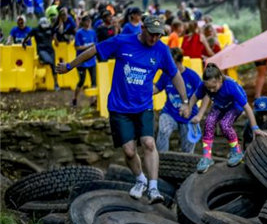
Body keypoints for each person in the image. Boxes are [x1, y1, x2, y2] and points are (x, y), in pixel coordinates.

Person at [56, 16, 191, 203]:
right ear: (142, 28)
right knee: (128, 151)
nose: (154, 39)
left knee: (149, 143)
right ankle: (140, 180)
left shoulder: (161, 49)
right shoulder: (122, 41)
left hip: (144, 105)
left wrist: (185, 101)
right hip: (119, 107)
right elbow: (94, 50)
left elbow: (175, 75)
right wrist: (70, 66)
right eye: (152, 34)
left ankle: (153, 188)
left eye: (158, 35)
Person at [189, 64, 267, 171]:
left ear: (220, 79)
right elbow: (195, 96)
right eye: (209, 88)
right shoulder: (204, 86)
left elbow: (247, 107)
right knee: (208, 122)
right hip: (220, 104)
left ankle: (236, 151)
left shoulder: (230, 86)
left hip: (235, 106)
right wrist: (189, 108)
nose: (211, 91)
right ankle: (207, 157)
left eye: (214, 87)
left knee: (224, 124)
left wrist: (255, 128)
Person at [154, 47, 202, 153]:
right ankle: (161, 160)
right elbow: (157, 88)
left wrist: (199, 115)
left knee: (188, 148)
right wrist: (141, 88)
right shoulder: (166, 74)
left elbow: (206, 94)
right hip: (169, 112)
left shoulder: (192, 76)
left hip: (188, 115)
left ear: (179, 62)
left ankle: (187, 166)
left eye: (171, 63)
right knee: (163, 130)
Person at [23, 17, 59, 90]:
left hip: (50, 50)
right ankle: (42, 60)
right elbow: (28, 36)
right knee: (48, 60)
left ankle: (56, 83)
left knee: (53, 66)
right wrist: (24, 42)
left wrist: (56, 40)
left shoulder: (50, 29)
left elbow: (55, 37)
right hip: (41, 49)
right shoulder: (36, 30)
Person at [72, 15, 98, 107]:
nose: (88, 23)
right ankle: (75, 98)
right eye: (86, 21)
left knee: (94, 81)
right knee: (81, 81)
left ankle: (93, 100)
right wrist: (88, 46)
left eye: (89, 21)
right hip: (82, 61)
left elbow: (96, 44)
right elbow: (77, 47)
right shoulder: (79, 33)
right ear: (83, 22)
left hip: (92, 61)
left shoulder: (93, 32)